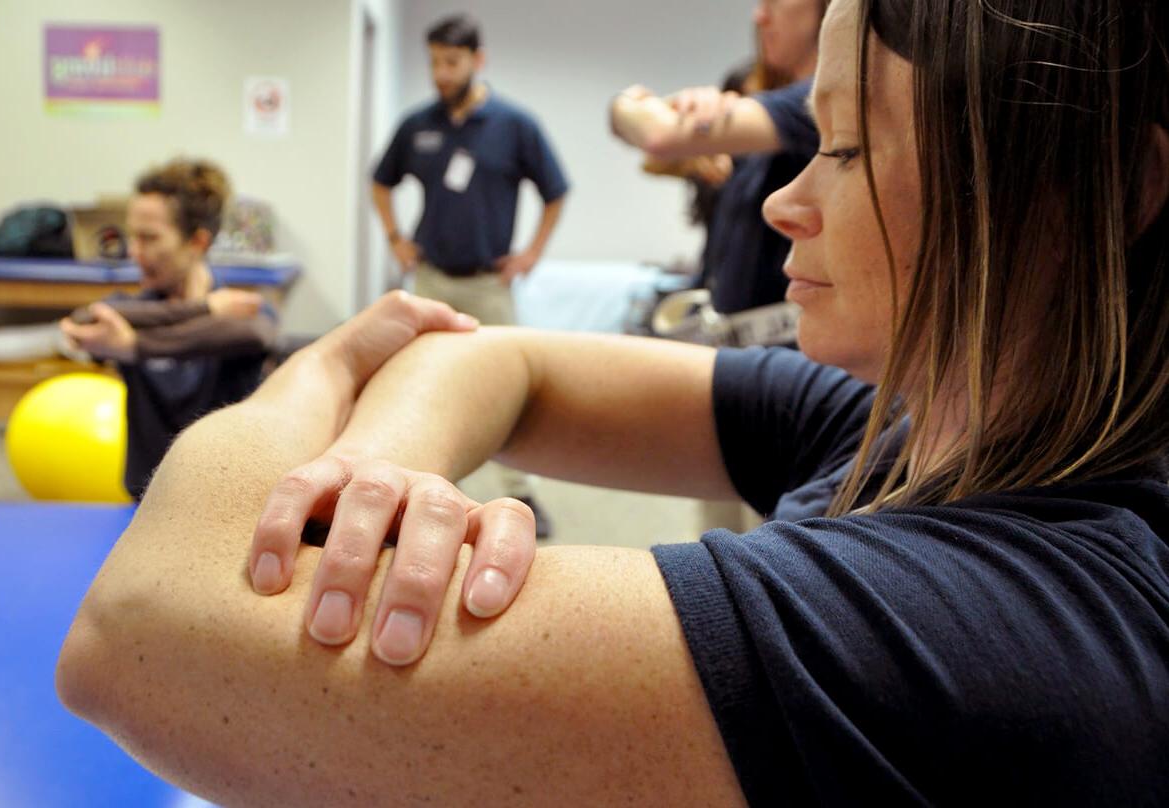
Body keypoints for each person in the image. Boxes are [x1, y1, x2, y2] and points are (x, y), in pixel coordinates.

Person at [57, 0, 1169, 803]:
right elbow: (496, 363)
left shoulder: (988, 621)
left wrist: (305, 375)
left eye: (846, 145)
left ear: (1101, 187)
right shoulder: (909, 429)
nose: (783, 200)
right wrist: (381, 476)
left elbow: (140, 630)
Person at [371, 13, 568, 538]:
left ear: (478, 62)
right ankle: (423, 484)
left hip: (489, 283)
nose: (441, 72)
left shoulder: (514, 125)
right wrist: (395, 237)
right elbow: (380, 182)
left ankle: (520, 492)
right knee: (420, 383)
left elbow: (556, 190)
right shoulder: (418, 126)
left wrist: (530, 254)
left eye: (452, 62)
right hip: (432, 278)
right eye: (434, 61)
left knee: (509, 387)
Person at [61, 159, 277, 499]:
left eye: (150, 238)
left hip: (220, 499)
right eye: (132, 235)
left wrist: (134, 347)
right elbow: (83, 319)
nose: (135, 251)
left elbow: (258, 333)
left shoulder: (243, 311)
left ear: (198, 242)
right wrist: (203, 307)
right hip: (146, 499)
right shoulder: (131, 309)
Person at [611, 0, 824, 339]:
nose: (760, 15)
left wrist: (627, 101)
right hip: (736, 337)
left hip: (780, 349)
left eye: (776, 2)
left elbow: (657, 135)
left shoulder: (820, 102)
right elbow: (656, 159)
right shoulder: (771, 133)